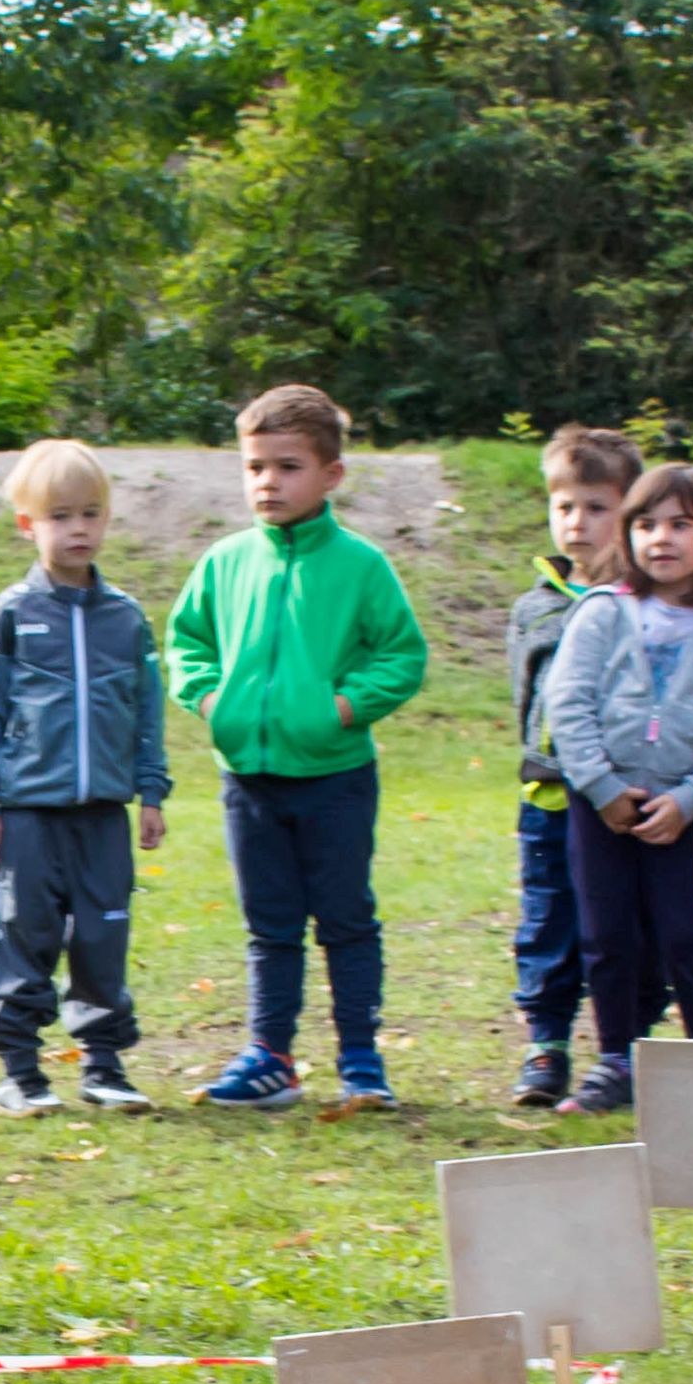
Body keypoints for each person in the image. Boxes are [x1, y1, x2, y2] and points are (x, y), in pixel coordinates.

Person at [164, 384, 429, 1114]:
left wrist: (340, 707)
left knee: (346, 919)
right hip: (247, 779)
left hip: (336, 777)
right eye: (254, 467)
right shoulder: (224, 562)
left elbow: (402, 656)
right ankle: (270, 1055)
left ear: (331, 475)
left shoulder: (362, 566)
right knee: (269, 924)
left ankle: (361, 1059)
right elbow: (186, 641)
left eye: (287, 466)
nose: (268, 482)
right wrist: (213, 700)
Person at [0, 437, 170, 1113]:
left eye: (90, 513)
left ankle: (104, 1066)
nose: (78, 528)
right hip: (26, 814)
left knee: (104, 938)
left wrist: (151, 792)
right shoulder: (12, 615)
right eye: (60, 516)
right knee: (26, 939)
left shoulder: (126, 618)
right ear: (29, 524)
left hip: (103, 814)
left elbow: (147, 712)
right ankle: (20, 1072)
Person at [540, 460, 693, 1112]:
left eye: (681, 524)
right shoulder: (604, 613)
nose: (661, 538)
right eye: (646, 524)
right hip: (599, 804)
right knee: (608, 934)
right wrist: (602, 788)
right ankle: (616, 1060)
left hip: (672, 811)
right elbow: (566, 705)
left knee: (681, 934)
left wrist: (689, 800)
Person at [502, 425, 638, 1106]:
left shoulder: (644, 604)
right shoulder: (536, 604)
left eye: (596, 507)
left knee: (617, 927)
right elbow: (524, 693)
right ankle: (546, 1043)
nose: (577, 522)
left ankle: (626, 1047)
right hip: (549, 794)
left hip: (621, 796)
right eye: (564, 507)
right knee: (546, 919)